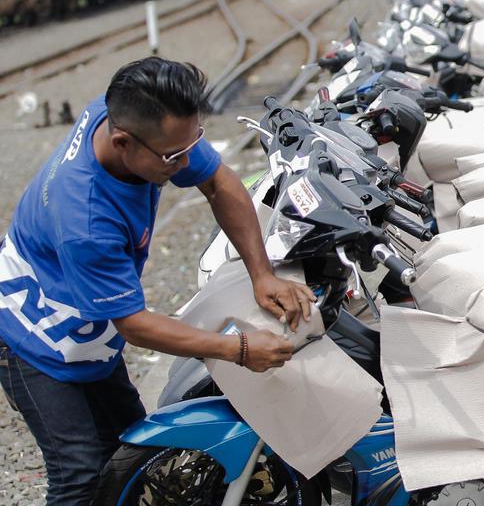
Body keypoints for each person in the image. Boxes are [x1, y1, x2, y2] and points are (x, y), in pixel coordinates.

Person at [0, 57, 314, 505]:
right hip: (30, 334)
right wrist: (239, 349)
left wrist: (261, 274)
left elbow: (219, 183)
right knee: (80, 472)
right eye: (173, 156)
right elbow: (134, 324)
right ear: (123, 142)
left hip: (83, 321)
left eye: (193, 143)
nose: (186, 162)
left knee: (132, 447)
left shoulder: (139, 122)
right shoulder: (87, 218)